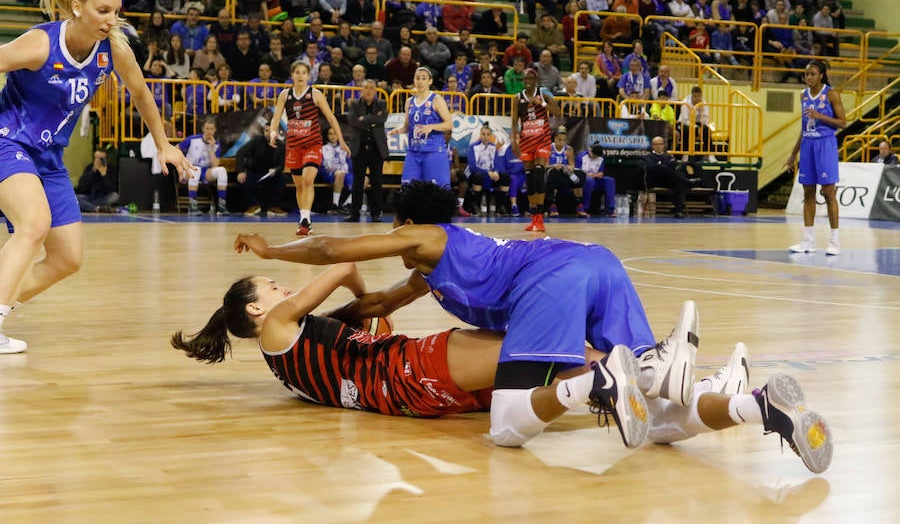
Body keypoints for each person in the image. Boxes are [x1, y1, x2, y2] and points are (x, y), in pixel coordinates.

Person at [173, 262, 834, 474]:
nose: (283, 288)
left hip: (413, 393)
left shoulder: (286, 363)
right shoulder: (280, 328)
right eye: (271, 286)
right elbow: (340, 270)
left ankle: (752, 405)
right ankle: (661, 367)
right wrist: (359, 295)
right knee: (568, 356)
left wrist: (364, 319)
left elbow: (339, 352)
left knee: (639, 416)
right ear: (255, 311)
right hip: (411, 367)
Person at [232, 181, 705, 450]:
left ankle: (604, 382)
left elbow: (332, 248)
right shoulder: (430, 271)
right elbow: (378, 304)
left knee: (514, 410)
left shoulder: (423, 238)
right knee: (635, 358)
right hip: (592, 260)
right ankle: (684, 381)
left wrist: (272, 251)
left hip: (549, 275)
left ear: (406, 224)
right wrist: (355, 305)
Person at [0, 0, 194, 354]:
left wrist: (164, 144)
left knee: (67, 258)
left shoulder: (114, 49)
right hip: (9, 143)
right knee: (34, 224)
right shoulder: (40, 44)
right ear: (77, 7)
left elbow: (140, 93)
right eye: (103, 11)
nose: (111, 20)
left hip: (49, 157)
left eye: (116, 11)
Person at [270, 61, 349, 236]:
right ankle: (304, 219)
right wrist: (273, 133)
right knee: (299, 185)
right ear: (292, 75)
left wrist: (342, 140)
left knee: (307, 180)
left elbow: (331, 118)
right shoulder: (285, 95)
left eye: (303, 72)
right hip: (293, 146)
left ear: (308, 76)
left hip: (312, 144)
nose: (300, 75)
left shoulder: (315, 94)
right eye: (296, 72)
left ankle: (305, 219)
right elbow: (275, 118)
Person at [785, 60, 847, 256]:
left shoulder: (831, 94)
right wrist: (793, 154)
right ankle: (808, 241)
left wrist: (820, 116)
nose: (808, 77)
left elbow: (843, 123)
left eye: (812, 73)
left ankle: (835, 241)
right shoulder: (803, 95)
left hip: (825, 145)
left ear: (821, 74)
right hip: (808, 145)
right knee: (808, 192)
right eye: (806, 74)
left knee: (829, 193)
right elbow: (803, 128)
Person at [512, 68, 561, 232]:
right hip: (526, 140)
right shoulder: (517, 98)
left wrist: (543, 104)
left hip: (542, 138)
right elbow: (513, 121)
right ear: (523, 80)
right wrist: (514, 141)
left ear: (536, 79)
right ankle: (534, 218)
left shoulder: (544, 93)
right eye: (526, 78)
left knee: (539, 174)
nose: (528, 80)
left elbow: (558, 113)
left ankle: (540, 217)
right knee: (530, 180)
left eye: (531, 78)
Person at [389, 67, 453, 188]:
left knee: (437, 191)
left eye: (424, 78)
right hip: (413, 152)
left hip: (433, 151)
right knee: (408, 189)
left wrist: (431, 127)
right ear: (414, 80)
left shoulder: (437, 100)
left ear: (430, 81)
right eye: (418, 78)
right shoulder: (409, 102)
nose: (420, 81)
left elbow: (449, 124)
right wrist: (398, 130)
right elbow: (407, 126)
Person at [343, 80, 389, 223]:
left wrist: (364, 118)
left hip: (376, 149)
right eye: (365, 88)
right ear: (361, 90)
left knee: (377, 182)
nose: (368, 91)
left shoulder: (381, 104)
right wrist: (372, 122)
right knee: (357, 183)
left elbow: (383, 118)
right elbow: (352, 121)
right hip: (359, 148)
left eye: (371, 88)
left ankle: (376, 213)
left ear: (375, 91)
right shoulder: (355, 104)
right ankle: (354, 213)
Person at [178, 117, 229, 215]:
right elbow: (176, 150)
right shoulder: (192, 139)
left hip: (205, 172)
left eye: (211, 129)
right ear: (203, 129)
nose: (209, 131)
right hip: (189, 170)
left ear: (215, 130)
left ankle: (222, 204)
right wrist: (180, 167)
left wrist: (210, 148)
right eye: (207, 128)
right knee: (196, 169)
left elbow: (215, 165)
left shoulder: (216, 144)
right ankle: (192, 203)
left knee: (221, 170)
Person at [236, 122, 286, 218]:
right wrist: (241, 171)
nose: (268, 133)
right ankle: (254, 205)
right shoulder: (256, 140)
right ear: (263, 131)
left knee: (282, 179)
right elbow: (240, 153)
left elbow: (282, 165)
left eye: (271, 131)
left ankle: (273, 207)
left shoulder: (281, 145)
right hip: (254, 172)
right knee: (244, 178)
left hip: (271, 174)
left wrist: (276, 170)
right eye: (267, 130)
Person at [642, 136, 698, 219]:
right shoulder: (647, 157)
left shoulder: (668, 156)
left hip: (669, 180)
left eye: (660, 144)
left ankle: (678, 211)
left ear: (664, 145)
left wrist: (661, 164)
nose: (658, 146)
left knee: (678, 183)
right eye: (656, 144)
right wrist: (664, 165)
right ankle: (688, 182)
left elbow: (674, 163)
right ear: (652, 146)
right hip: (656, 180)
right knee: (669, 172)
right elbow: (652, 167)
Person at [466, 124, 510, 216]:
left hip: (491, 174)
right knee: (478, 175)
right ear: (480, 135)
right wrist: (488, 172)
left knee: (505, 177)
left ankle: (501, 207)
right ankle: (476, 206)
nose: (485, 136)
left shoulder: (494, 147)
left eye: (488, 134)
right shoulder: (473, 147)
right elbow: (472, 167)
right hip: (477, 174)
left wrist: (496, 172)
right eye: (483, 134)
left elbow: (497, 163)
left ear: (491, 136)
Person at [544, 126, 588, 217]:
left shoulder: (569, 149)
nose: (562, 142)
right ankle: (553, 205)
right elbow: (544, 166)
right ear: (555, 138)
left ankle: (579, 206)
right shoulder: (548, 148)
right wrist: (554, 165)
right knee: (554, 173)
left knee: (580, 174)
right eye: (560, 140)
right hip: (551, 173)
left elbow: (572, 165)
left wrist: (570, 167)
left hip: (564, 173)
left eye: (564, 140)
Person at [319, 127, 353, 214]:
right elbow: (321, 167)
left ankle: (347, 204)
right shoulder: (322, 149)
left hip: (345, 173)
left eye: (335, 134)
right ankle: (335, 205)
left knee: (364, 179)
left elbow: (350, 166)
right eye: (330, 134)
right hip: (329, 174)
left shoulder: (344, 148)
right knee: (340, 173)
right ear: (327, 136)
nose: (333, 136)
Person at [75, 148, 119, 212]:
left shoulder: (111, 169)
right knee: (74, 198)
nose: (98, 161)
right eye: (96, 158)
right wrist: (93, 171)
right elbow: (81, 185)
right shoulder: (89, 167)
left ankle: (86, 206)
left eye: (101, 159)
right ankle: (97, 208)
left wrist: (104, 175)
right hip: (89, 196)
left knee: (115, 196)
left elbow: (111, 189)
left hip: (103, 197)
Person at [578, 143, 617, 217]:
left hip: (596, 180)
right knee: (589, 181)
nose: (595, 158)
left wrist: (594, 175)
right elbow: (577, 171)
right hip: (583, 180)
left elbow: (601, 173)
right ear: (590, 150)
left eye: (597, 156)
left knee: (610, 180)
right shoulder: (581, 157)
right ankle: (585, 208)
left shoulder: (601, 158)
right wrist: (590, 175)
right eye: (594, 156)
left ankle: (610, 209)